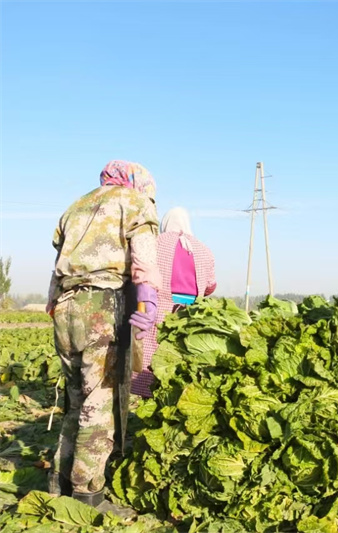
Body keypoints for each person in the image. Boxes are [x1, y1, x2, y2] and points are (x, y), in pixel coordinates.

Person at [46, 160, 160, 514]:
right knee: (101, 401)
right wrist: (148, 299)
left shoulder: (76, 207)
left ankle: (58, 480)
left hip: (65, 306)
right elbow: (143, 256)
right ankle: (87, 492)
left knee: (76, 399)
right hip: (103, 305)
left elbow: (57, 267)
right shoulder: (134, 201)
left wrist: (54, 304)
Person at [132, 207, 217, 398]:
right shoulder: (203, 249)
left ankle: (150, 399)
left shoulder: (155, 243)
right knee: (183, 360)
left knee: (153, 359)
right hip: (190, 315)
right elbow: (210, 286)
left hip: (159, 309)